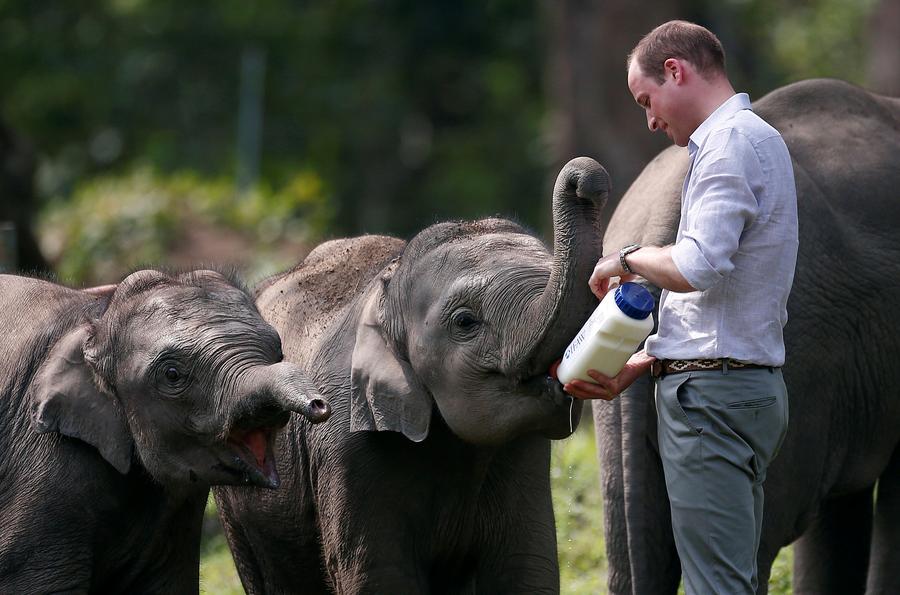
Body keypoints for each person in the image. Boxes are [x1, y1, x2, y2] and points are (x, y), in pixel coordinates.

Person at [564, 20, 798, 594]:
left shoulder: (729, 144)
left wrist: (626, 257)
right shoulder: (750, 140)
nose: (649, 119)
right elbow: (724, 303)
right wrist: (643, 364)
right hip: (735, 387)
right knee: (729, 578)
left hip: (711, 401)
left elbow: (699, 266)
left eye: (647, 100)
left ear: (676, 70)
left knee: (715, 586)